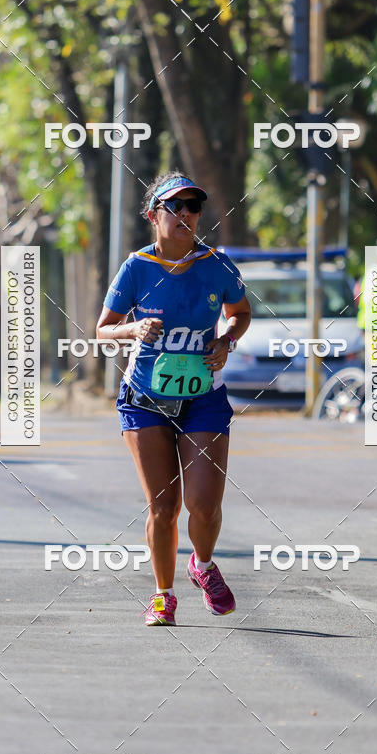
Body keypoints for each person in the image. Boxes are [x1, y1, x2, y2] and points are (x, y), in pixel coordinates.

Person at [96, 171, 252, 626]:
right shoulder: (137, 266)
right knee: (164, 507)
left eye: (193, 207)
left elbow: (240, 313)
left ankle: (202, 566)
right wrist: (133, 329)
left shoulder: (217, 265)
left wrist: (226, 340)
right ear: (154, 215)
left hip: (203, 396)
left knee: (204, 504)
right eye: (175, 206)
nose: (186, 214)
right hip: (145, 398)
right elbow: (104, 328)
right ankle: (162, 595)